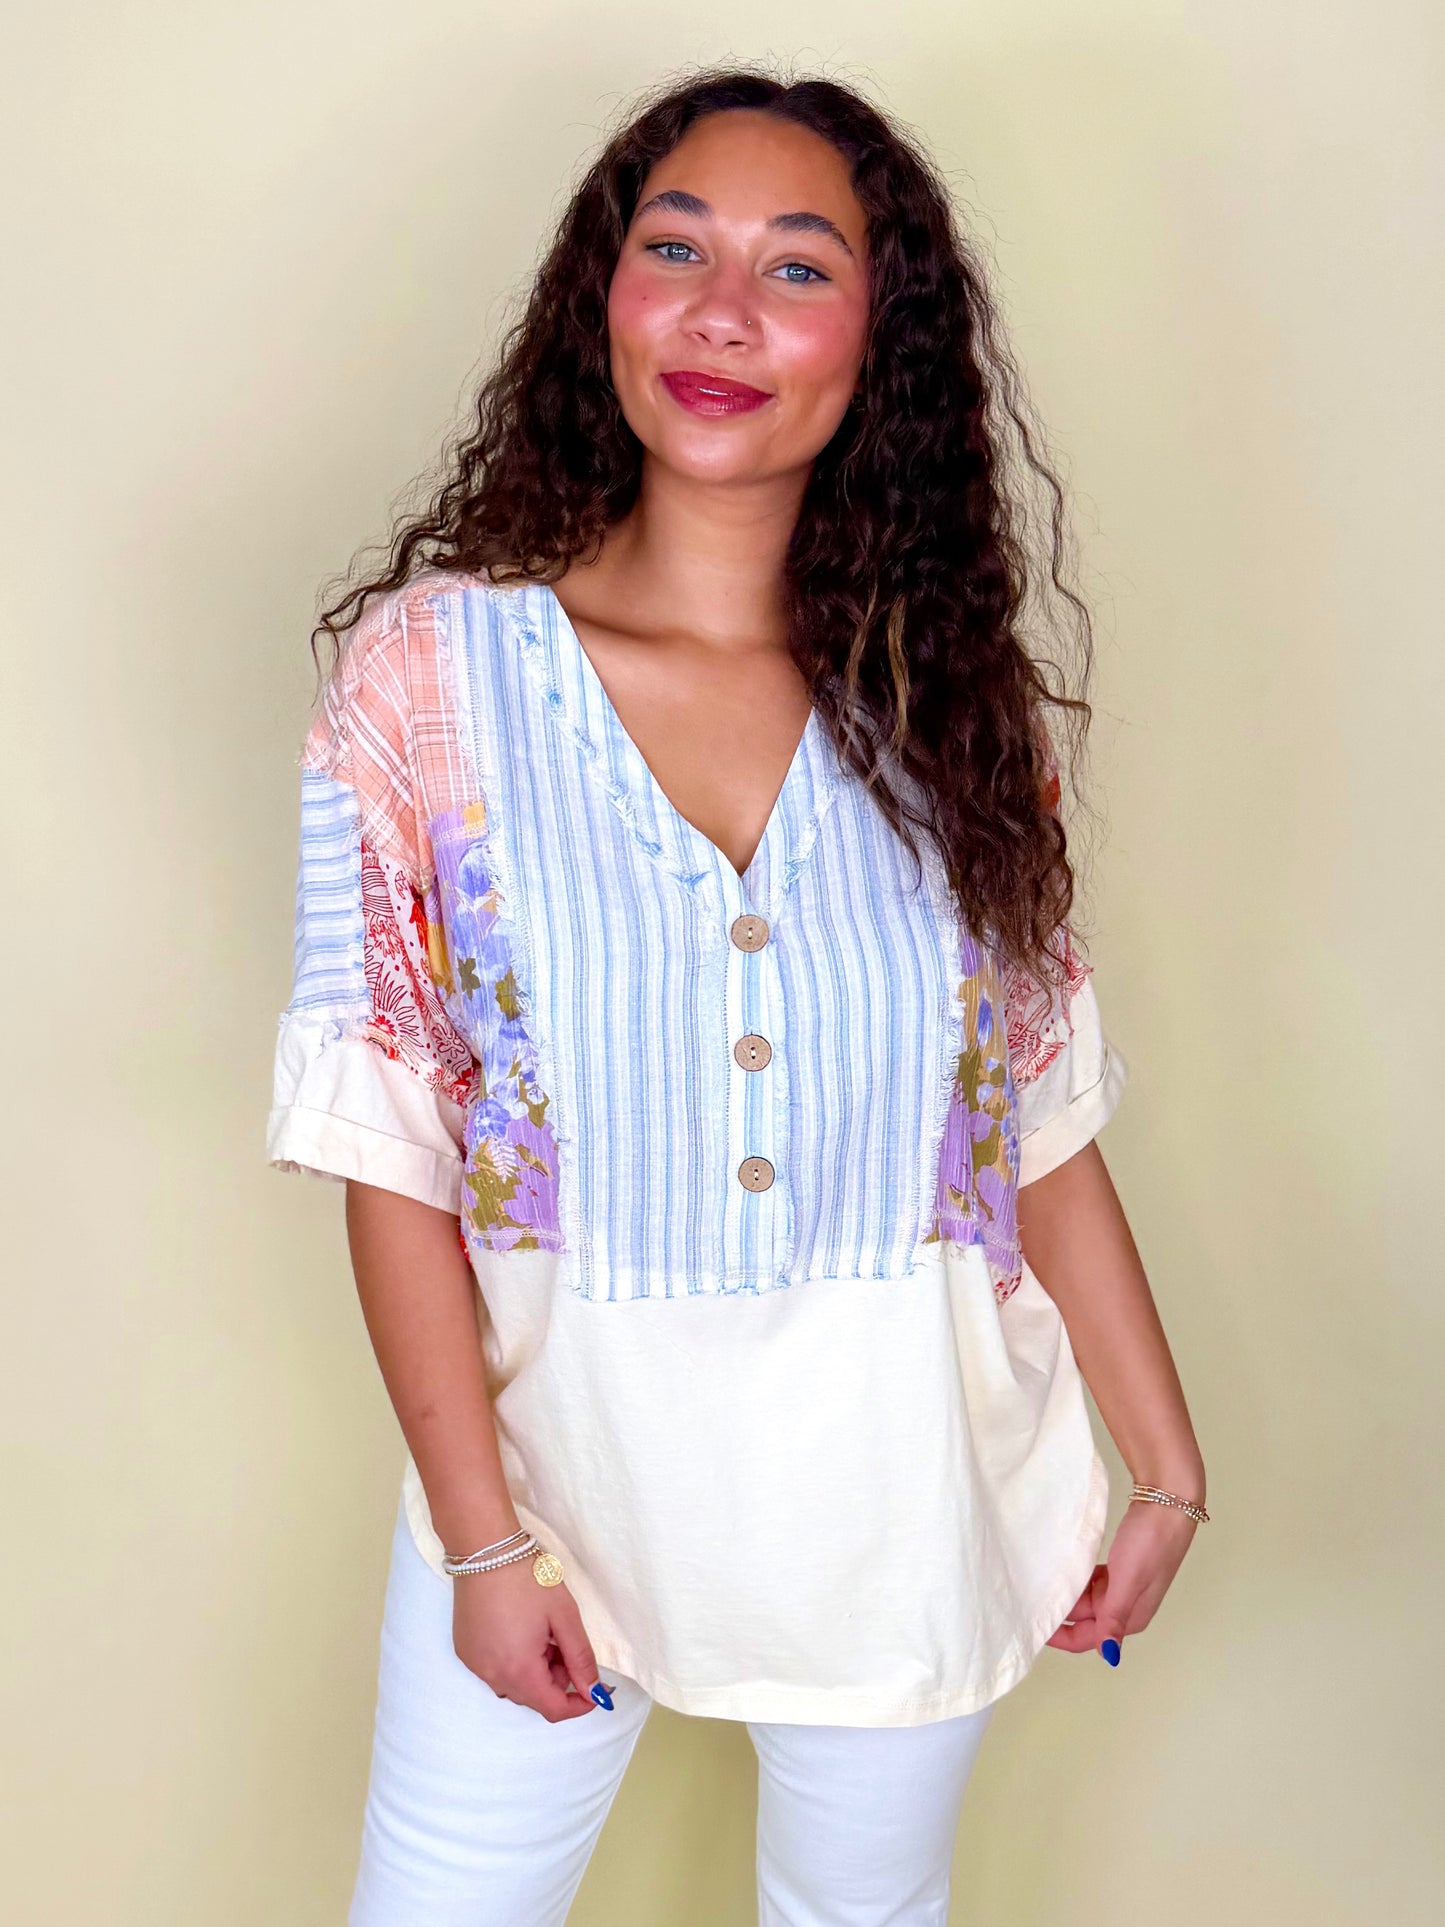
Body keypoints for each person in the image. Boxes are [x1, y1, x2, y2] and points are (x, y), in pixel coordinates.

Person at [266, 64, 1209, 1927]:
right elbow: (389, 1137)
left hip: (903, 1492)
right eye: (674, 249)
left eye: (796, 268)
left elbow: (1026, 1121)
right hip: (552, 1487)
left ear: (879, 343)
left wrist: (1164, 1467)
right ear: (601, 300)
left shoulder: (946, 707)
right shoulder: (429, 681)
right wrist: (484, 1545)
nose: (719, 312)